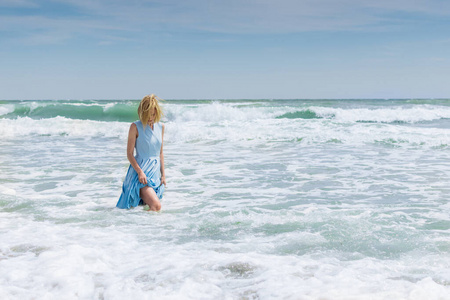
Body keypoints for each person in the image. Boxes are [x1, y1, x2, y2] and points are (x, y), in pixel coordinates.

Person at [116, 94, 166, 211]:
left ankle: (143, 227)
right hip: (141, 175)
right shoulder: (135, 126)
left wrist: (163, 174)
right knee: (156, 206)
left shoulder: (161, 127)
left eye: (153, 114)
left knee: (146, 207)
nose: (150, 118)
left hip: (155, 175)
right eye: (147, 115)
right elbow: (129, 153)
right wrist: (140, 172)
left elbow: (160, 153)